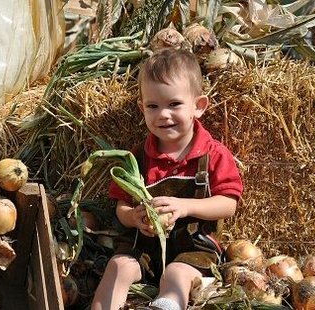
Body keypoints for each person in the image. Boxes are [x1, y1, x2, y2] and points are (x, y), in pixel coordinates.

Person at [91, 48, 243, 310]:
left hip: (195, 250)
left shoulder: (212, 154)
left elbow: (228, 204)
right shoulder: (136, 158)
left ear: (198, 106)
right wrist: (133, 217)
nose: (163, 114)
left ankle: (166, 305)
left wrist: (185, 206)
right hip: (144, 247)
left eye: (174, 104)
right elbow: (121, 207)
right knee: (118, 266)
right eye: (153, 106)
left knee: (176, 273)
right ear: (142, 108)